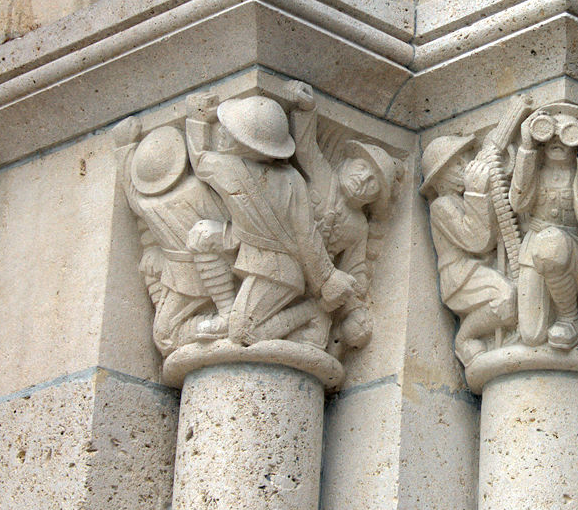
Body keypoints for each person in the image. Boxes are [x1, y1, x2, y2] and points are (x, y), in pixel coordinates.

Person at [184, 92, 359, 348]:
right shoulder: (283, 177)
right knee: (201, 235)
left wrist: (197, 117)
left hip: (277, 266)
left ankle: (311, 311)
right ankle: (225, 311)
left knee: (243, 333)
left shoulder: (233, 169)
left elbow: (199, 159)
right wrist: (327, 277)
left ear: (248, 146)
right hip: (244, 241)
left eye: (231, 132)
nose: (222, 133)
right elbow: (307, 236)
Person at [288, 82, 399, 349]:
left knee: (316, 337)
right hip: (283, 257)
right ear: (346, 162)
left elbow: (354, 269)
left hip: (314, 286)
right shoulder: (324, 175)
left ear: (374, 199)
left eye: (373, 183)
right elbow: (305, 148)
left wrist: (354, 309)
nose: (363, 179)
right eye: (362, 168)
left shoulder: (359, 226)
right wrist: (307, 108)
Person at [112, 117, 229, 355]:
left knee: (165, 337)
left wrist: (125, 147)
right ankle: (222, 321)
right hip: (195, 272)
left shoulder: (145, 203)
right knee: (165, 334)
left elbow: (130, 189)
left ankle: (224, 318)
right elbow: (228, 222)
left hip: (196, 274)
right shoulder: (196, 191)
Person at [509, 103, 578, 350]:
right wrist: (526, 149)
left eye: (568, 132)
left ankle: (569, 319)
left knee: (551, 245)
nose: (558, 138)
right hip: (534, 250)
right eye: (549, 131)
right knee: (532, 337)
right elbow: (518, 203)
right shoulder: (536, 167)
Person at [421, 134, 517, 365]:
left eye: (465, 159)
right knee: (507, 299)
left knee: (516, 298)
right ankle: (464, 339)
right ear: (440, 179)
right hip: (460, 277)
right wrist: (476, 192)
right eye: (456, 164)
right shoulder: (441, 206)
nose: (466, 166)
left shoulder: (462, 200)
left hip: (476, 269)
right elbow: (477, 241)